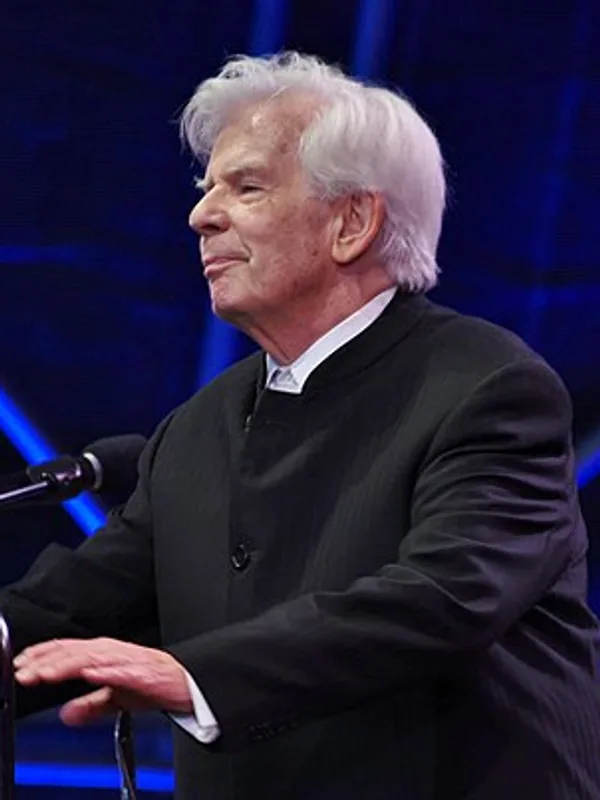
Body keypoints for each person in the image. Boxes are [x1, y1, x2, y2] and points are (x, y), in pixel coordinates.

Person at [4, 51, 600, 800]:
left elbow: (444, 597)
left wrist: (195, 677)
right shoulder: (196, 428)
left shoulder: (489, 388)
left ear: (352, 222)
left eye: (246, 186)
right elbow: (74, 606)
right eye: (206, 188)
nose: (200, 215)